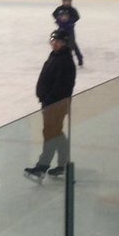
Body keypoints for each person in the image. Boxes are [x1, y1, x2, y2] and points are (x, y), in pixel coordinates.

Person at [25, 29, 77, 180]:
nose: (54, 43)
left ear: (65, 43)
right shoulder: (55, 55)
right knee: (56, 133)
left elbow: (62, 87)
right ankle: (64, 164)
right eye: (53, 41)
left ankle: (42, 167)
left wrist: (48, 99)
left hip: (55, 106)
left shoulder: (65, 61)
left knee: (50, 135)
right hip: (50, 104)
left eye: (58, 42)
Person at [51, 0, 83, 67]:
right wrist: (58, 20)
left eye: (68, 1)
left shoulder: (72, 10)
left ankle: (79, 58)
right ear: (62, 1)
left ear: (71, 2)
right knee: (60, 44)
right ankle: (58, 59)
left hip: (70, 30)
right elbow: (54, 14)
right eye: (65, 1)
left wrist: (71, 22)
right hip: (61, 29)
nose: (67, 2)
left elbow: (77, 17)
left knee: (72, 45)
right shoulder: (59, 8)